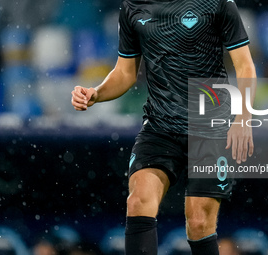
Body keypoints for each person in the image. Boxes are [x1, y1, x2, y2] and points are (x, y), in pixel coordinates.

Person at [71, 0, 256, 254]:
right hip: (160, 127)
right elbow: (125, 72)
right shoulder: (132, 7)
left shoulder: (218, 4)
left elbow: (245, 65)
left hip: (210, 126)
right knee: (138, 201)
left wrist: (243, 119)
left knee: (199, 221)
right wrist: (96, 93)